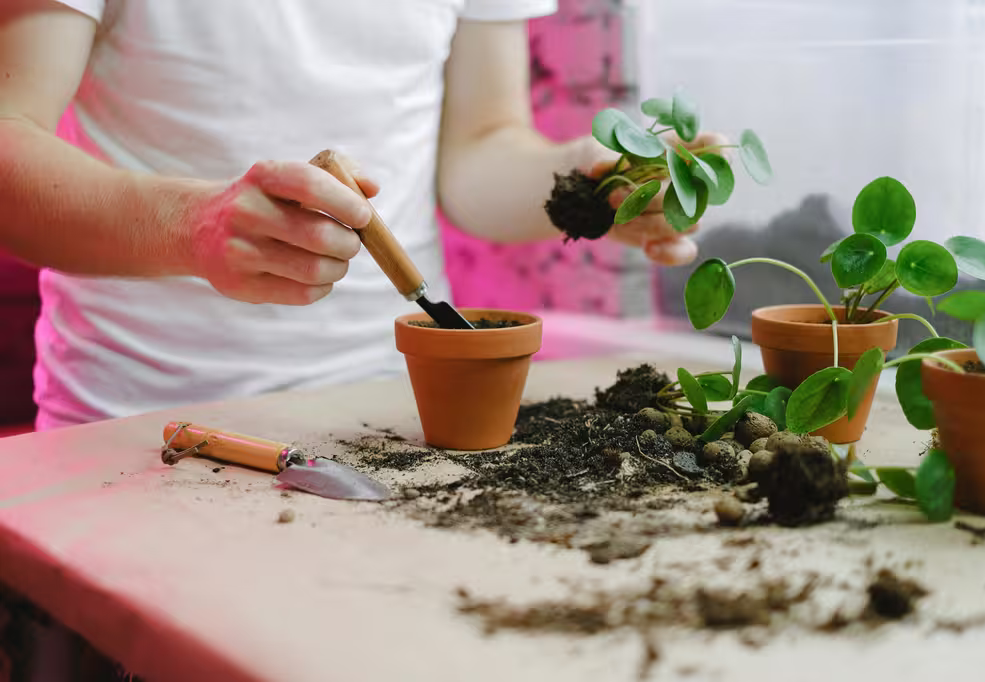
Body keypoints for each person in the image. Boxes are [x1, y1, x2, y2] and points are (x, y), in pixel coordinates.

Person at [0, 0, 708, 432]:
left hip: (393, 418)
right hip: (140, 424)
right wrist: (189, 226)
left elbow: (478, 155)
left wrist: (584, 190)